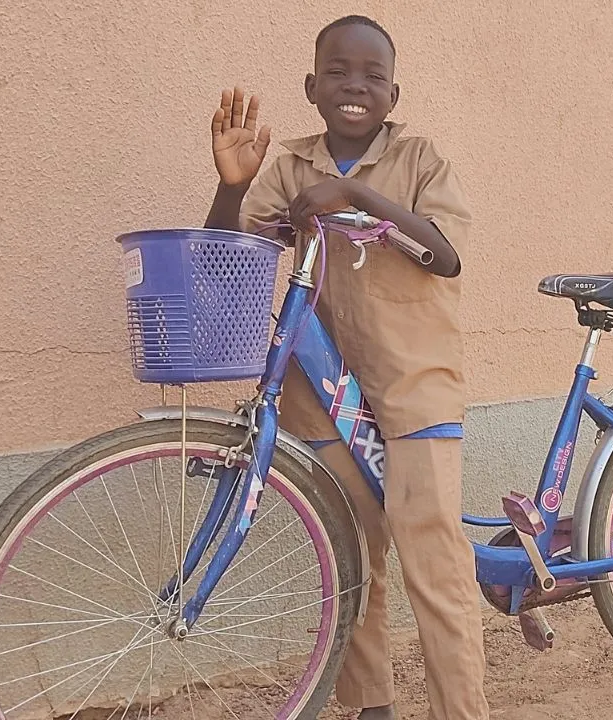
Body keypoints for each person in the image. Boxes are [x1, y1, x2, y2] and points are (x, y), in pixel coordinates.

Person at [201, 14, 490, 720]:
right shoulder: (291, 167)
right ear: (311, 85)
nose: (354, 85)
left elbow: (446, 254)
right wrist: (233, 187)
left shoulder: (420, 159)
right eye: (337, 71)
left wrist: (357, 196)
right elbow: (225, 257)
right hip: (323, 390)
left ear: (394, 94)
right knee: (351, 556)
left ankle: (461, 709)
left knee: (433, 563)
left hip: (415, 385)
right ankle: (372, 706)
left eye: (372, 76)